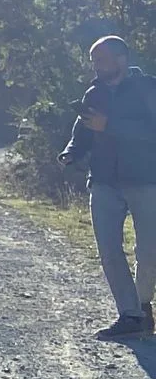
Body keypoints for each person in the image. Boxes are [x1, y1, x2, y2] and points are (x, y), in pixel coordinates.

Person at [59, 35, 156, 339]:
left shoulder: (147, 88)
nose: (96, 66)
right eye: (93, 61)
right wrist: (71, 151)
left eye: (101, 59)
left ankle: (142, 305)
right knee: (110, 251)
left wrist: (110, 125)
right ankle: (129, 315)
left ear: (121, 59)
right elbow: (83, 130)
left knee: (149, 251)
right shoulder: (94, 93)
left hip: (145, 178)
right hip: (103, 182)